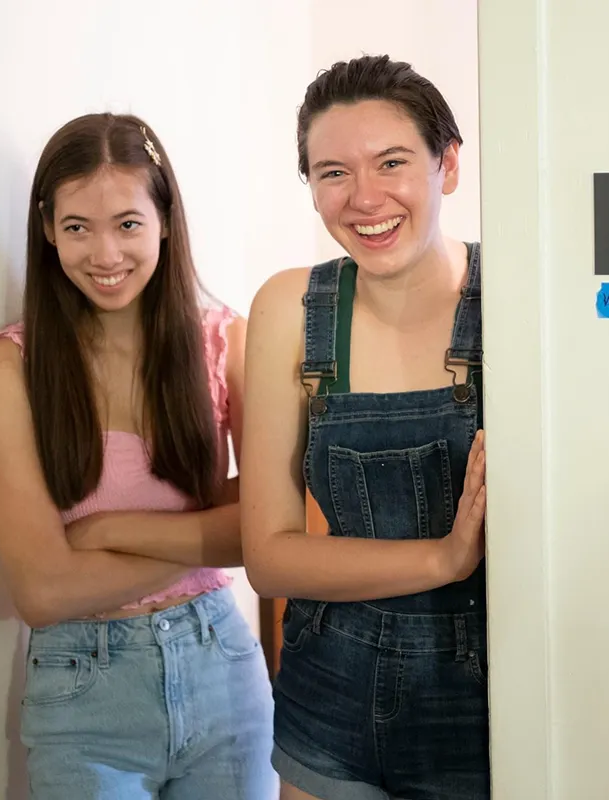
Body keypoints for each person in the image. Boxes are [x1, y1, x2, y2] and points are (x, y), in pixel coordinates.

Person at [0, 112, 277, 798]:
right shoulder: (4, 369)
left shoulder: (227, 344)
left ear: (164, 219)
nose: (105, 254)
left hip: (222, 666)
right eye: (78, 227)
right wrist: (213, 531)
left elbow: (271, 532)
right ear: (47, 228)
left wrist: (105, 533)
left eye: (128, 223)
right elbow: (43, 593)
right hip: (82, 690)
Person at [241, 55, 489, 800]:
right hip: (328, 701)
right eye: (332, 172)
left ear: (447, 166)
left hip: (484, 704)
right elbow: (269, 561)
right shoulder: (289, 309)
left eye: (392, 162)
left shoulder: (516, 299)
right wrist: (442, 560)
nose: (365, 197)